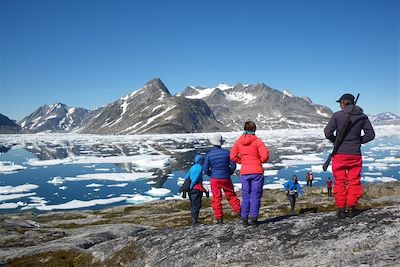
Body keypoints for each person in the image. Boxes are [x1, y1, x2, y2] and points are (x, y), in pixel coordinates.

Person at [324, 93, 375, 219]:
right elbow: (371, 135)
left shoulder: (337, 115)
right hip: (355, 155)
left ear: (343, 102)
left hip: (340, 154)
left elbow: (327, 132)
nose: (339, 105)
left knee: (340, 181)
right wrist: (357, 141)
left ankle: (341, 209)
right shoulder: (362, 117)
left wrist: (336, 140)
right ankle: (351, 208)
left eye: (340, 103)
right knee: (354, 181)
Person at [230, 121, 269, 226]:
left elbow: (233, 156)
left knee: (245, 195)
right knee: (255, 195)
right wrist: (258, 160)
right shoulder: (257, 141)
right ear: (254, 129)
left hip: (245, 172)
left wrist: (241, 161)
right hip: (257, 172)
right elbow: (265, 156)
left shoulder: (239, 141)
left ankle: (244, 219)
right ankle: (254, 219)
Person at [203, 133, 241, 224]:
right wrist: (229, 172)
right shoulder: (227, 153)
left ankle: (219, 218)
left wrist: (211, 175)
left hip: (214, 179)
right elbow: (233, 165)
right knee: (231, 195)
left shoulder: (209, 155)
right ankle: (240, 213)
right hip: (226, 178)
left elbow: (205, 169)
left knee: (216, 198)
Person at [183, 154, 207, 226]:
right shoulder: (199, 168)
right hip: (196, 188)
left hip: (191, 190)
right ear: (201, 161)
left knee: (193, 204)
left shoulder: (193, 167)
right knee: (196, 205)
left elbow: (187, 176)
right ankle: (195, 221)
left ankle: (194, 220)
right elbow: (195, 179)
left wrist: (188, 188)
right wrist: (191, 186)